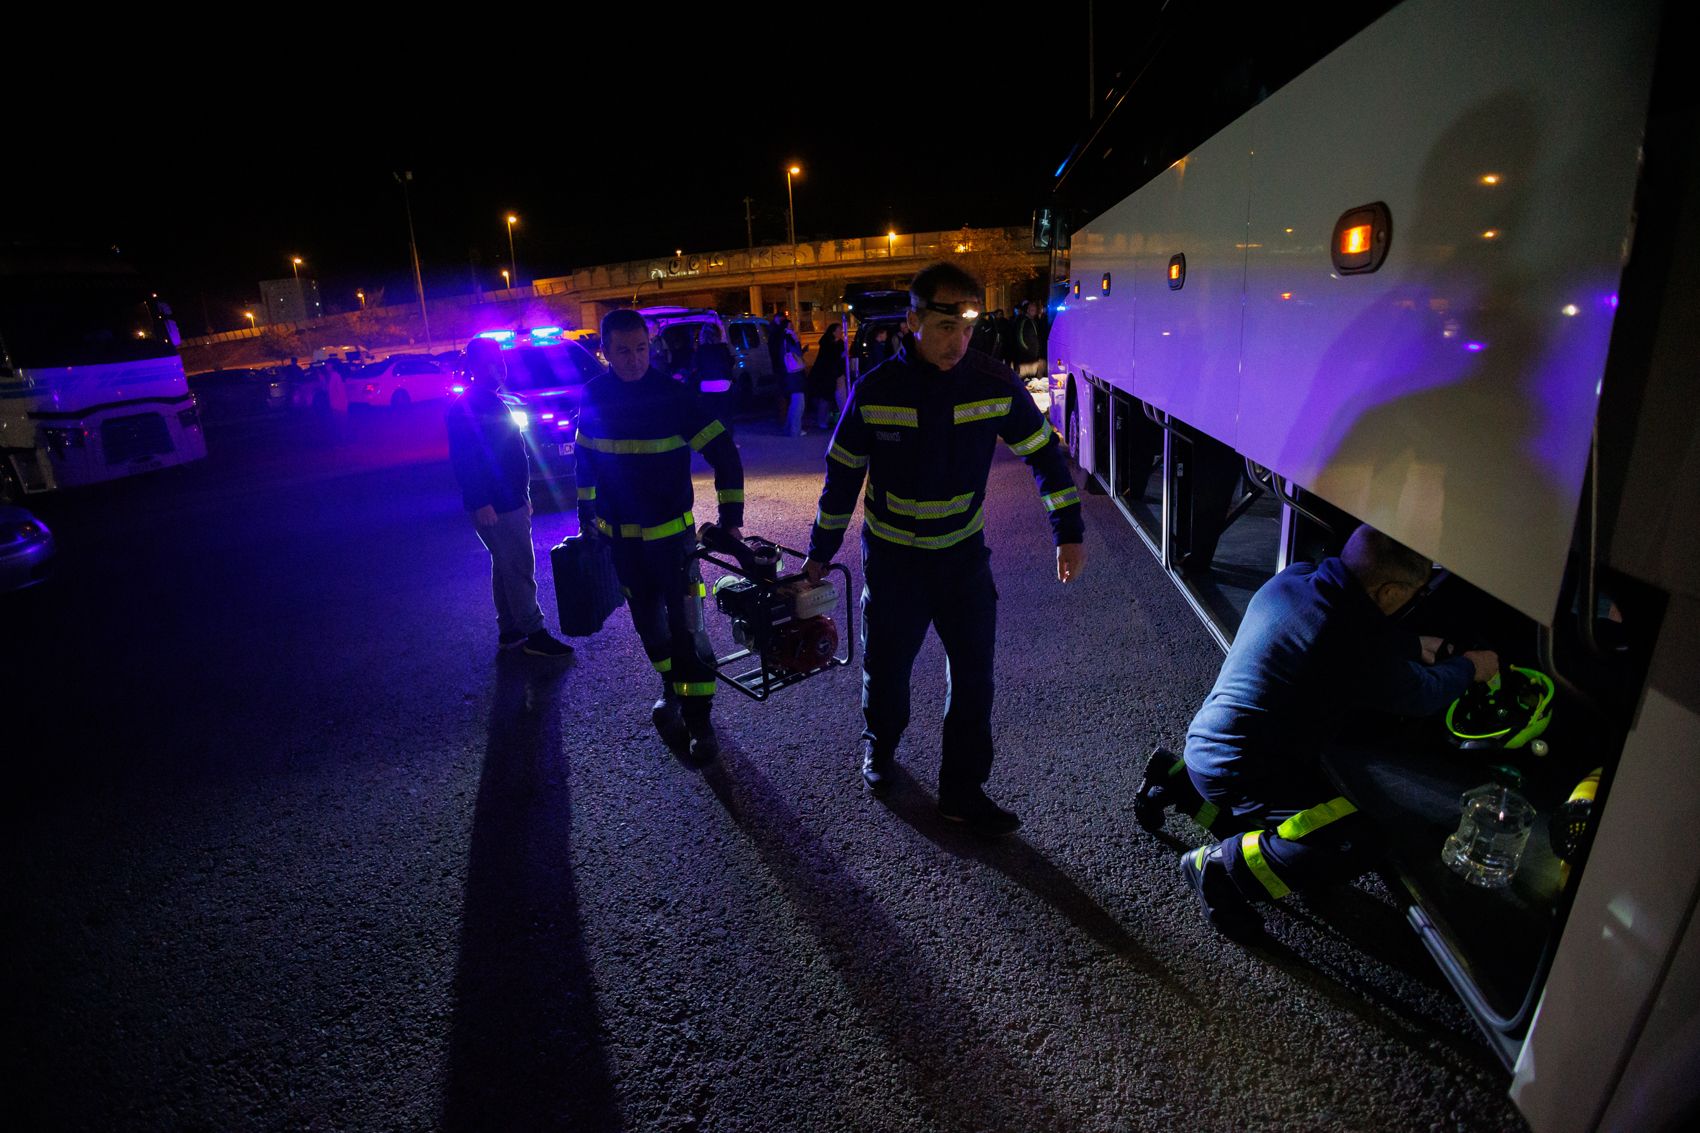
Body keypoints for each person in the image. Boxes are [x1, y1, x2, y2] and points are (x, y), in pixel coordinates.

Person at [803, 261, 1087, 836]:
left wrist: (1070, 532)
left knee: (975, 677)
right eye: (942, 327)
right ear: (911, 322)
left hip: (962, 560)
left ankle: (962, 791)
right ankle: (880, 748)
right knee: (886, 673)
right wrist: (818, 554)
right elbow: (840, 480)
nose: (957, 342)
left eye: (966, 328)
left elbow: (1044, 456)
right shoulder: (876, 391)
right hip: (895, 563)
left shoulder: (992, 382)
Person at [1149, 524, 1499, 939]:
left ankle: (1174, 781)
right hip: (1244, 770)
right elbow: (1422, 693)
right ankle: (1221, 869)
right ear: (1389, 593)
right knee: (1355, 839)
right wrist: (1472, 667)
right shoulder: (1350, 642)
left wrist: (1411, 645)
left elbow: (1348, 629)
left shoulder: (1293, 579)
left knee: (1306, 784)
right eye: (1412, 592)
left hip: (1207, 744)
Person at [574, 308, 745, 763]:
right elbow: (585, 460)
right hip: (624, 546)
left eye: (642, 349)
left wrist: (732, 519)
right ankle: (672, 688)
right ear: (605, 351)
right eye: (624, 351)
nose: (635, 360)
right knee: (650, 627)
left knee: (689, 629)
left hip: (674, 545)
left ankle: (700, 721)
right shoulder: (592, 398)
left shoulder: (674, 397)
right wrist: (585, 512)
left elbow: (724, 453)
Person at [444, 337, 575, 658]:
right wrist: (481, 502)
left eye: (501, 362)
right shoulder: (469, 408)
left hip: (508, 499)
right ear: (474, 367)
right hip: (496, 504)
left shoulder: (493, 401)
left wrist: (523, 494)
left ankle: (511, 630)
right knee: (519, 567)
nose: (499, 368)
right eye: (491, 362)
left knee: (504, 565)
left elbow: (509, 455)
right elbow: (467, 459)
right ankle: (534, 632)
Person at [691, 323, 738, 426]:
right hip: (723, 385)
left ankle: (714, 439)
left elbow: (695, 367)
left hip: (706, 386)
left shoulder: (700, 350)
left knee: (709, 417)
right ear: (718, 334)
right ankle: (726, 437)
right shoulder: (722, 348)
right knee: (725, 416)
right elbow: (729, 363)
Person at [807, 323, 846, 430]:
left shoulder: (840, 343)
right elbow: (828, 359)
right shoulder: (827, 343)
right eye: (839, 330)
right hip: (827, 375)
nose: (841, 332)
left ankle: (841, 419)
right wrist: (841, 355)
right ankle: (822, 421)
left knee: (839, 398)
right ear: (833, 332)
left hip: (837, 374)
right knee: (826, 398)